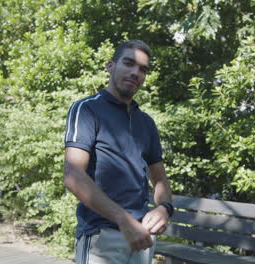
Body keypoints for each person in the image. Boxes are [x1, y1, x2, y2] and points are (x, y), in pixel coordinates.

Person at [64, 40, 173, 264]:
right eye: (129, 63)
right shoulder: (86, 109)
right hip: (101, 237)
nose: (136, 73)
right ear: (110, 66)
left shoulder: (147, 123)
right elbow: (73, 175)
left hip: (142, 239)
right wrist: (123, 220)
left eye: (143, 69)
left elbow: (160, 179)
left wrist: (164, 208)